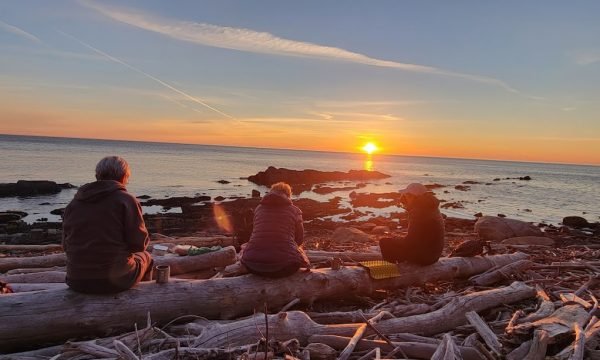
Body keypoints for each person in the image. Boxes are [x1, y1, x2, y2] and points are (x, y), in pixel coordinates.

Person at [62, 156, 152, 294]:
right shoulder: (126, 200)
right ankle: (144, 302)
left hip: (76, 280)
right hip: (114, 281)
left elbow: (65, 245)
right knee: (146, 257)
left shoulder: (74, 204)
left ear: (97, 176)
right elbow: (138, 245)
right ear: (123, 177)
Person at [240, 182, 309, 277]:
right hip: (285, 267)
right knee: (302, 258)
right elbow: (299, 240)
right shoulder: (295, 210)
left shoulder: (258, 209)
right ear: (288, 195)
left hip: (250, 264)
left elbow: (255, 232)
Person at [379, 183, 445, 265]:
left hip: (424, 257)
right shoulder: (431, 206)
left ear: (411, 196)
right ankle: (401, 266)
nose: (404, 199)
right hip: (434, 255)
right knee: (395, 242)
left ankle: (392, 271)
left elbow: (410, 242)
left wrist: (396, 239)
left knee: (385, 242)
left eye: (406, 196)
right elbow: (420, 236)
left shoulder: (418, 211)